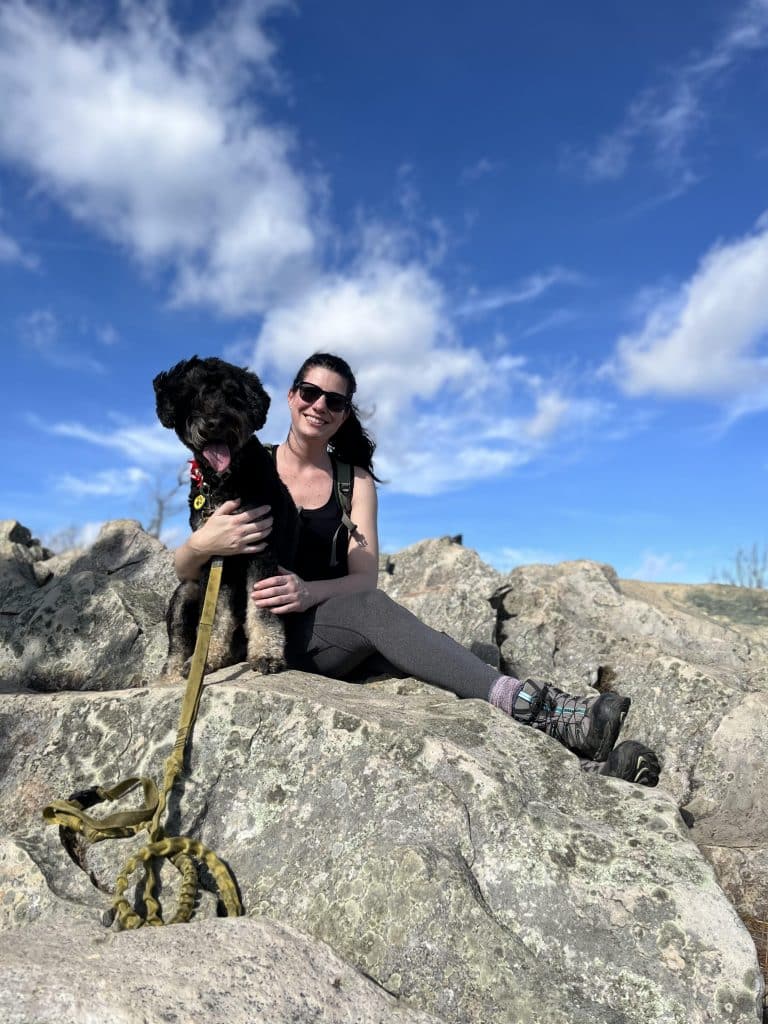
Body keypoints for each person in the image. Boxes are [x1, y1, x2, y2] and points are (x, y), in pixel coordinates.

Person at [174, 353, 660, 786]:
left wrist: (307, 591)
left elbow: (362, 580)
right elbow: (185, 571)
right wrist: (202, 542)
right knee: (410, 643)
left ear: (344, 415)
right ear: (291, 397)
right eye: (310, 392)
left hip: (322, 627)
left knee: (429, 660)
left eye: (336, 402)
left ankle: (580, 767)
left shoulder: (353, 481)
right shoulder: (236, 459)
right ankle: (557, 724)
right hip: (255, 641)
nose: (320, 405)